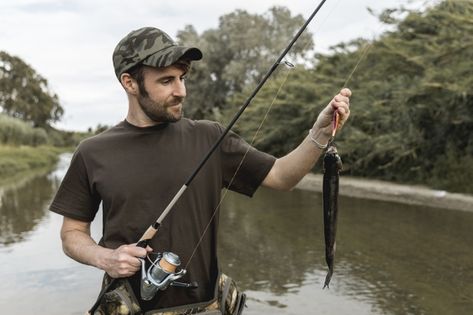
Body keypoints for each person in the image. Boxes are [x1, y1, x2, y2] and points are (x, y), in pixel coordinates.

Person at [50, 26, 351, 315]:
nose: (181, 90)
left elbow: (283, 176)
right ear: (130, 83)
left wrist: (320, 133)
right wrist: (106, 258)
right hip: (125, 306)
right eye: (166, 81)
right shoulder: (93, 152)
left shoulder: (211, 137)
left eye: (182, 78)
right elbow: (72, 234)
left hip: (206, 307)